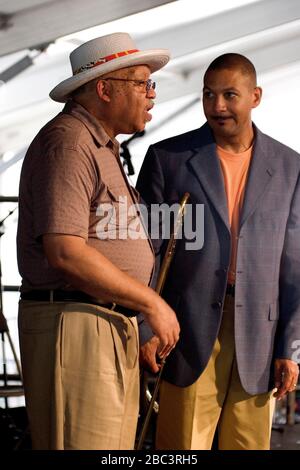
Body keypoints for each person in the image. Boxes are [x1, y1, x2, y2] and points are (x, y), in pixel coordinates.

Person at [16, 32, 180, 450]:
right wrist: (151, 303)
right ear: (105, 89)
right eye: (143, 84)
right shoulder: (69, 142)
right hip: (77, 325)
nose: (152, 95)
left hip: (102, 324)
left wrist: (136, 319)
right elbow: (66, 250)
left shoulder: (101, 146)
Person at [136, 53, 300, 450]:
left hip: (260, 340)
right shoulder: (167, 159)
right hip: (184, 333)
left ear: (255, 96)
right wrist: (145, 326)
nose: (217, 106)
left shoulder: (291, 166)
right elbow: (145, 254)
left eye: (230, 94)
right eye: (209, 95)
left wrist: (291, 347)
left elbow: (294, 266)